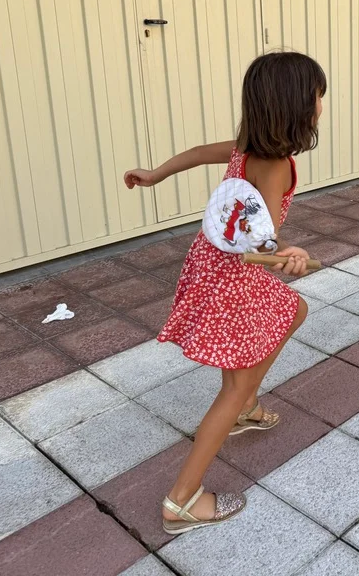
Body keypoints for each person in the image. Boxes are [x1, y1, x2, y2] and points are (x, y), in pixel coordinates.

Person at [123, 52, 324, 529]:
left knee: (293, 309)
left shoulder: (245, 148)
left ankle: (248, 406)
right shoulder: (276, 165)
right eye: (318, 96)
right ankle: (182, 501)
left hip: (211, 263)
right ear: (299, 105)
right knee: (234, 385)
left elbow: (196, 153)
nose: (321, 104)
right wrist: (291, 254)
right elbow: (263, 241)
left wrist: (155, 173)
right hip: (235, 274)